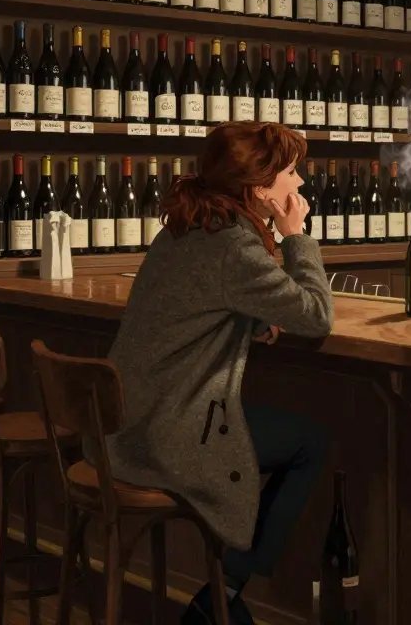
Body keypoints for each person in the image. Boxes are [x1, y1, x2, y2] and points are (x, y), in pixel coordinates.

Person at [102, 121, 334, 625]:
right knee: (310, 442)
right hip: (170, 433)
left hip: (126, 425)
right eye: (291, 172)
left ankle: (223, 596)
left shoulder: (186, 226)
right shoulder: (236, 245)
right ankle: (223, 593)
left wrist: (250, 321)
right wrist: (296, 237)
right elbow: (317, 316)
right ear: (260, 188)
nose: (299, 183)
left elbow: (193, 304)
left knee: (296, 437)